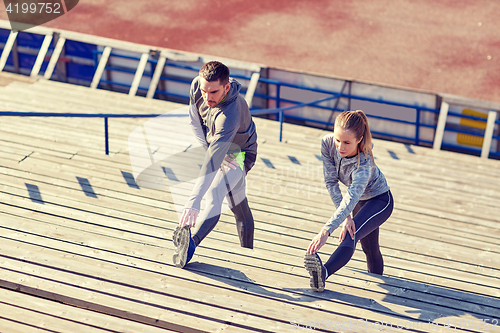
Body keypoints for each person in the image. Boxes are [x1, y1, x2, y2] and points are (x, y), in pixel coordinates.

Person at [172, 61, 258, 268]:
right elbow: (195, 122)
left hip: (238, 154)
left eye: (213, 92)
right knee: (238, 204)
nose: (207, 97)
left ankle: (190, 245)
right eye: (204, 91)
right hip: (216, 145)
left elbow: (213, 161)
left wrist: (194, 201)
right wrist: (210, 148)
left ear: (226, 87)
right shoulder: (198, 86)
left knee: (215, 193)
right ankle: (248, 253)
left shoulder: (230, 115)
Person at [304, 110, 393, 292]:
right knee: (370, 249)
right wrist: (345, 218)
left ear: (359, 139)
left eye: (346, 142)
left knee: (349, 236)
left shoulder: (363, 165)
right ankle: (377, 286)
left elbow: (351, 197)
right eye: (338, 140)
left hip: (379, 201)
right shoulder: (327, 143)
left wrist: (326, 231)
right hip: (359, 201)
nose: (340, 147)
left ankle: (323, 273)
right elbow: (331, 182)